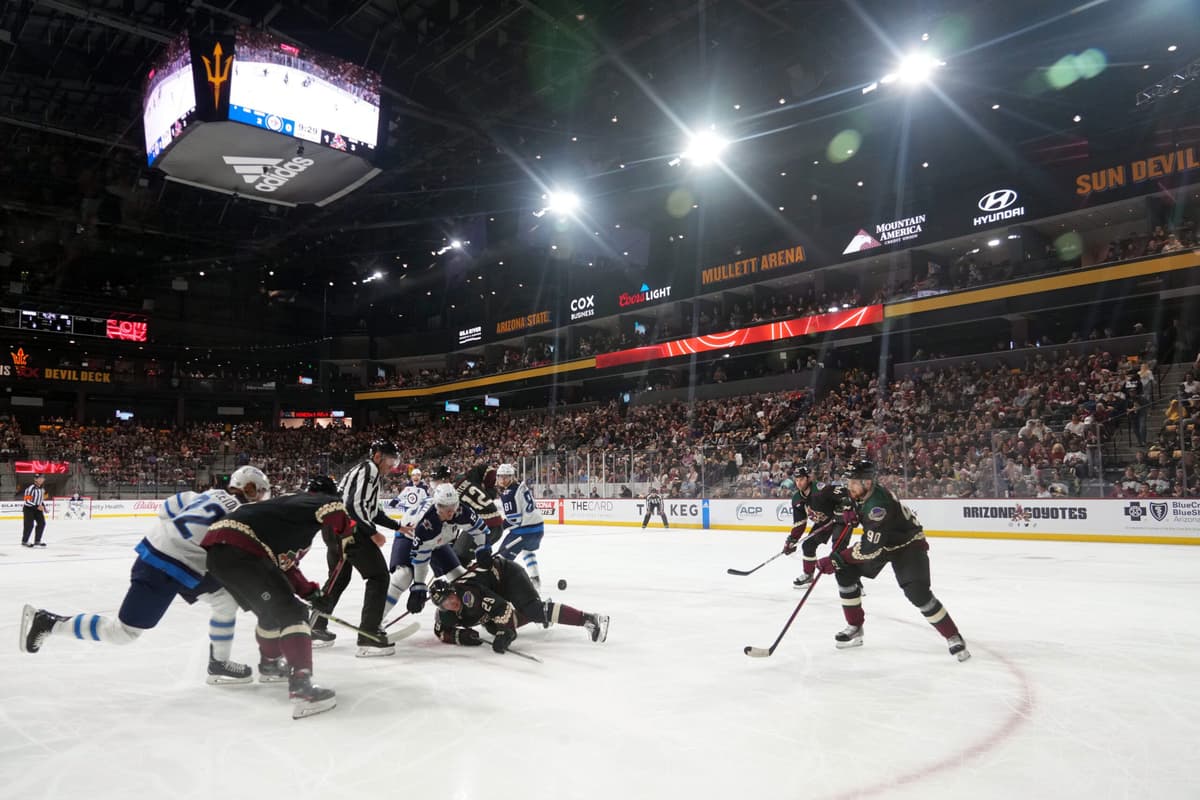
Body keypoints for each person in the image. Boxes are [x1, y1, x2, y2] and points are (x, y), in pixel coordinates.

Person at [19, 467, 271, 686]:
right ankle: (48, 622)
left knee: (225, 601)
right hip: (167, 567)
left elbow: (165, 510)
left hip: (168, 558)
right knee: (123, 633)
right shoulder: (242, 516)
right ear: (254, 491)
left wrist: (181, 539)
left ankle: (219, 664)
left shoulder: (200, 495)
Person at [200, 475, 355, 719]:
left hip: (221, 554)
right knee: (295, 614)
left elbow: (283, 568)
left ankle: (270, 665)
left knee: (271, 613)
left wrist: (311, 593)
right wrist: (348, 533)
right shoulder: (312, 500)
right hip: (241, 549)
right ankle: (302, 688)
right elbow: (334, 509)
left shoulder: (289, 518)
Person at [816, 460, 969, 661]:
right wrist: (849, 514)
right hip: (884, 543)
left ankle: (952, 636)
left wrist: (837, 558)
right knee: (845, 572)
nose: (849, 486)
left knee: (917, 593)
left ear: (868, 483)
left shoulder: (878, 506)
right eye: (849, 481)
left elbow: (870, 549)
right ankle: (855, 627)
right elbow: (853, 512)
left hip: (908, 546)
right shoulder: (862, 494)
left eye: (853, 482)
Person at [310, 440, 402, 655]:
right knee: (378, 576)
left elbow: (373, 511)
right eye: (391, 459)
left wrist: (397, 526)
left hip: (334, 528)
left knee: (338, 578)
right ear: (378, 456)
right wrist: (372, 532)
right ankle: (369, 636)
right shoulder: (369, 470)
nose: (393, 465)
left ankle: (315, 627)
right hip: (348, 530)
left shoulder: (368, 473)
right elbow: (354, 506)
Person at [430, 556, 608, 653]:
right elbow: (440, 631)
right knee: (492, 627)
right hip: (493, 589)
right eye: (444, 604)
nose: (450, 603)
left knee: (532, 610)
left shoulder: (470, 596)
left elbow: (501, 608)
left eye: (450, 597)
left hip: (508, 575)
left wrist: (506, 634)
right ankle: (543, 610)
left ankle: (589, 619)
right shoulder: (446, 614)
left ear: (453, 591)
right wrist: (462, 637)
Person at [383, 483, 487, 618]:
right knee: (403, 576)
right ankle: (376, 618)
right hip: (409, 537)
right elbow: (421, 559)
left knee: (461, 577)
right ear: (437, 506)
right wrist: (419, 587)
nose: (451, 512)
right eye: (445, 507)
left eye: (453, 506)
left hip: (438, 541)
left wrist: (483, 549)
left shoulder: (461, 511)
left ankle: (471, 615)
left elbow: (479, 530)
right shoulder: (426, 524)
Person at [780, 467, 855, 589]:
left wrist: (842, 508)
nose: (799, 483)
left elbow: (845, 493)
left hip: (839, 521)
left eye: (802, 479)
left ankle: (853, 582)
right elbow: (800, 523)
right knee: (808, 545)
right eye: (797, 480)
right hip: (823, 523)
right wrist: (792, 540)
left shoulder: (820, 489)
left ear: (808, 479)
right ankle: (809, 575)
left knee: (838, 551)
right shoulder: (797, 499)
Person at [494, 463, 545, 590]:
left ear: (512, 477)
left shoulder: (508, 493)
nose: (502, 480)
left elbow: (514, 520)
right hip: (538, 530)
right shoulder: (521, 487)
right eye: (500, 477)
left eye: (506, 477)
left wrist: (499, 527)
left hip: (523, 533)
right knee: (527, 550)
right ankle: (535, 578)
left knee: (500, 560)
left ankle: (501, 587)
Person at [21, 473, 47, 547]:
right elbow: (27, 501)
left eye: (43, 478)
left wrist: (44, 507)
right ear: (35, 479)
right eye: (40, 478)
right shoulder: (30, 488)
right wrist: (37, 507)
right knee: (29, 525)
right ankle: (24, 541)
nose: (42, 480)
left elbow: (40, 500)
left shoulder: (42, 489)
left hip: (37, 509)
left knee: (42, 523)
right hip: (28, 509)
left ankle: (37, 541)